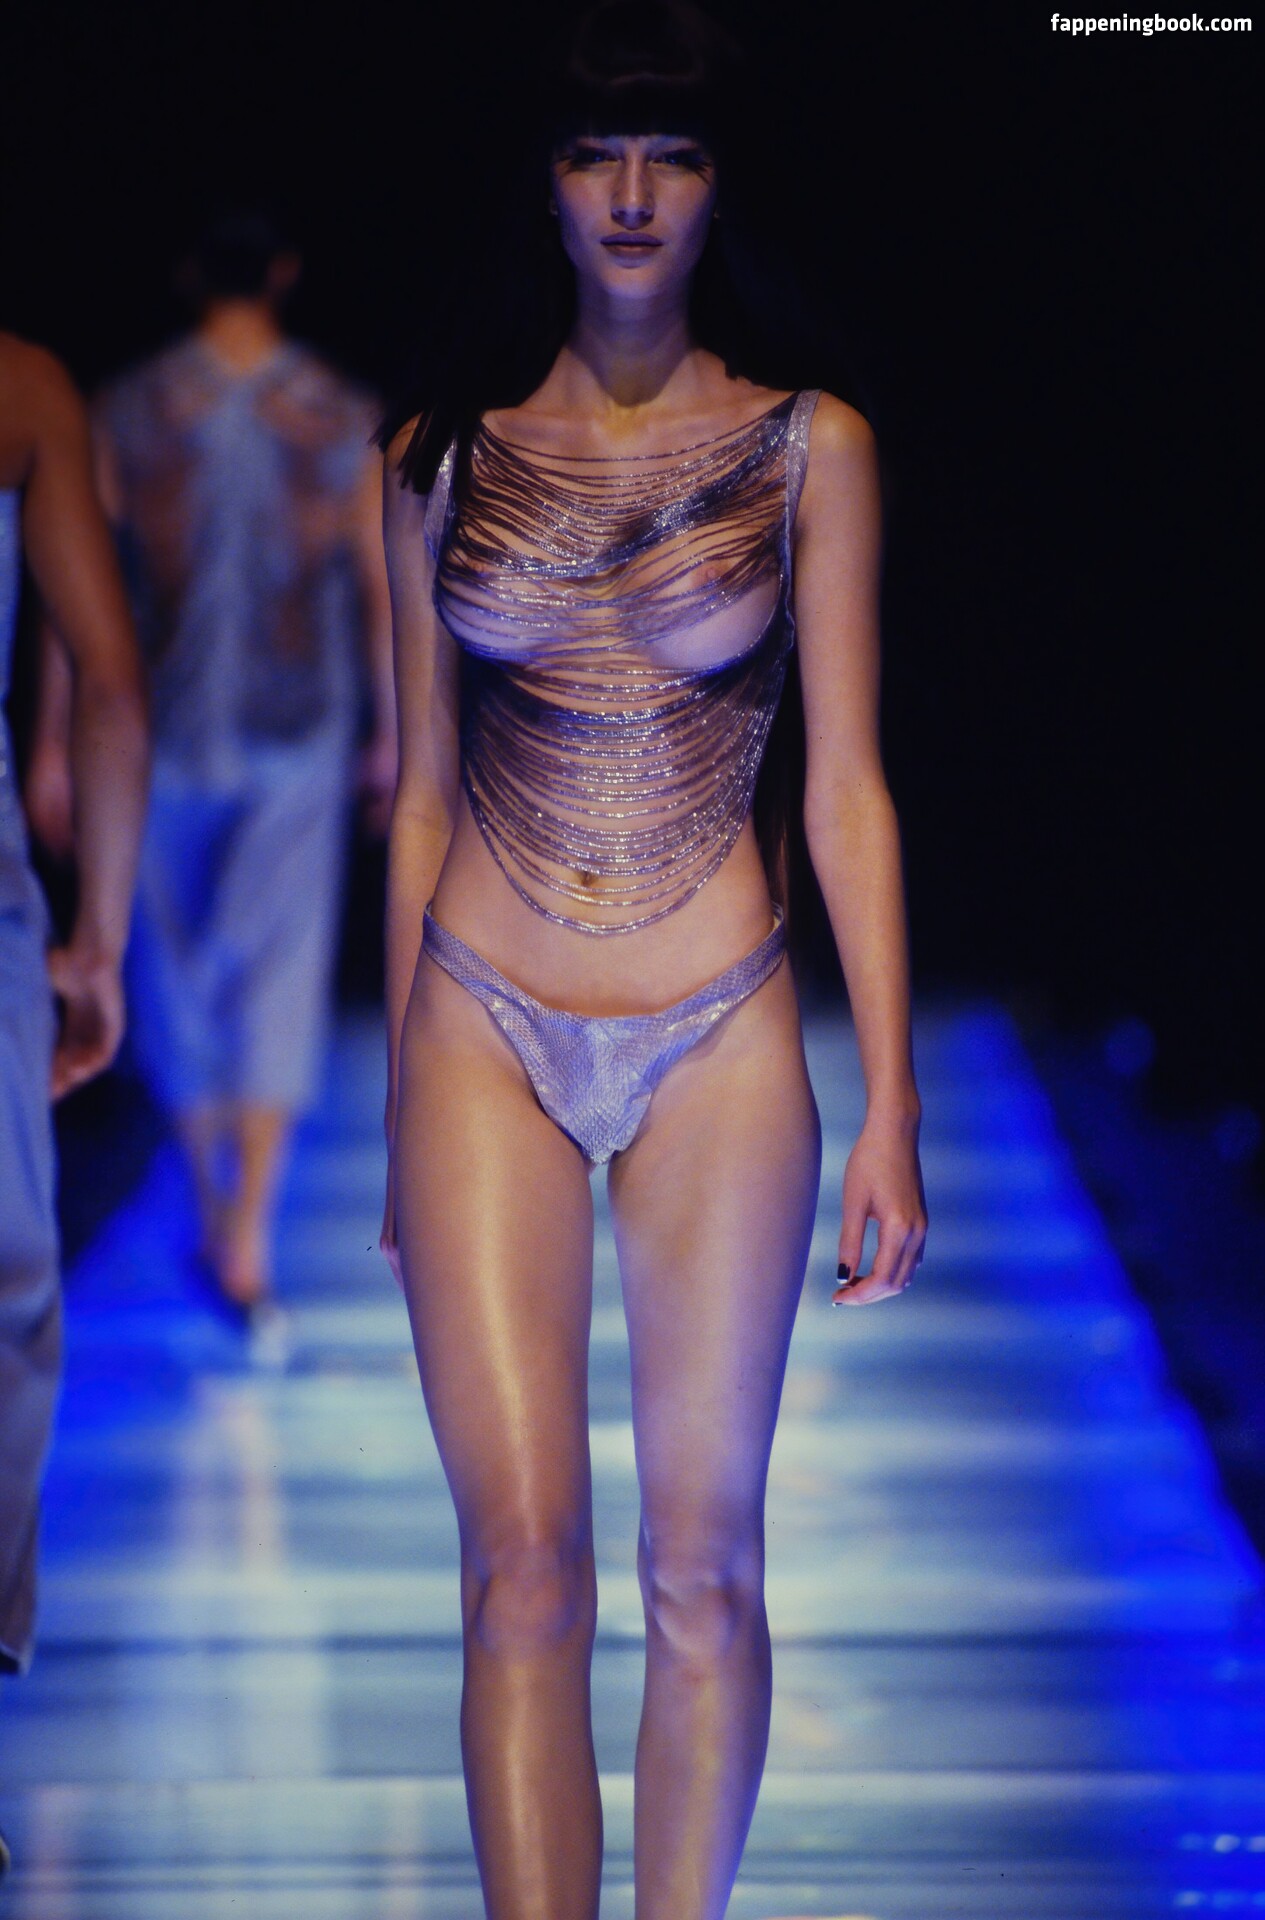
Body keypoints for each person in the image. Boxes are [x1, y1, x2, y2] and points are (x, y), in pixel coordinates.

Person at [379, 4, 927, 1915]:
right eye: (591, 152)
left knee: (704, 1571)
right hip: (478, 1023)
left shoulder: (811, 446)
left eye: (672, 155)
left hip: (720, 1028)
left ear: (719, 189)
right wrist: (398, 1108)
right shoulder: (435, 454)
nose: (629, 193)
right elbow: (417, 798)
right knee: (519, 1572)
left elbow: (847, 784)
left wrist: (892, 1108)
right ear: (539, 183)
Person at [82, 211, 395, 1320]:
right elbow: (378, 588)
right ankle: (244, 1232)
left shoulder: (126, 409)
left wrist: (66, 745)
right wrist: (394, 735)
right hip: (295, 729)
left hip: (156, 730)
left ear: (186, 273)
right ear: (284, 271)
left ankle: (224, 1215)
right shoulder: (341, 411)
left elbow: (86, 590)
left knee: (170, 975)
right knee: (273, 971)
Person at [0, 333, 149, 1878]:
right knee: (4, 1288)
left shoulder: (32, 395)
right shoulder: (27, 390)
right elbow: (109, 679)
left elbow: (103, 681)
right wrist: (95, 939)